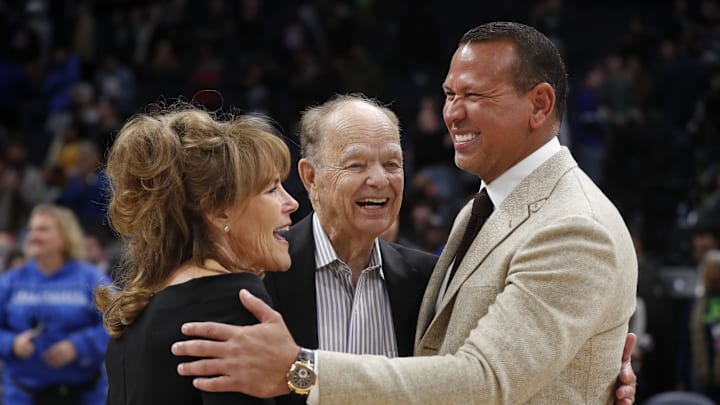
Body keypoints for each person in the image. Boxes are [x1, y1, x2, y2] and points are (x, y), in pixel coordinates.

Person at [173, 22, 640, 404]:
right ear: (310, 178)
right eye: (449, 94)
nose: (452, 113)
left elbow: (484, 378)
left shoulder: (574, 226)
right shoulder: (485, 210)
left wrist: (302, 371)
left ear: (539, 104)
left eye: (473, 95)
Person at [94, 103, 299, 405]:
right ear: (218, 210)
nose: (291, 202)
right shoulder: (232, 298)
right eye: (271, 189)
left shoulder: (135, 313)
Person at [262, 95, 438, 404]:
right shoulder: (261, 272)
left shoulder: (428, 281)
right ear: (310, 177)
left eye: (392, 164)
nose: (380, 179)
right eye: (356, 165)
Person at [0, 204, 110, 405]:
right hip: (23, 395)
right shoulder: (10, 281)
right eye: (31, 229)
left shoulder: (92, 278)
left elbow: (117, 324)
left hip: (84, 394)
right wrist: (12, 344)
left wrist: (79, 346)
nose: (33, 235)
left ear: (65, 235)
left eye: (43, 229)